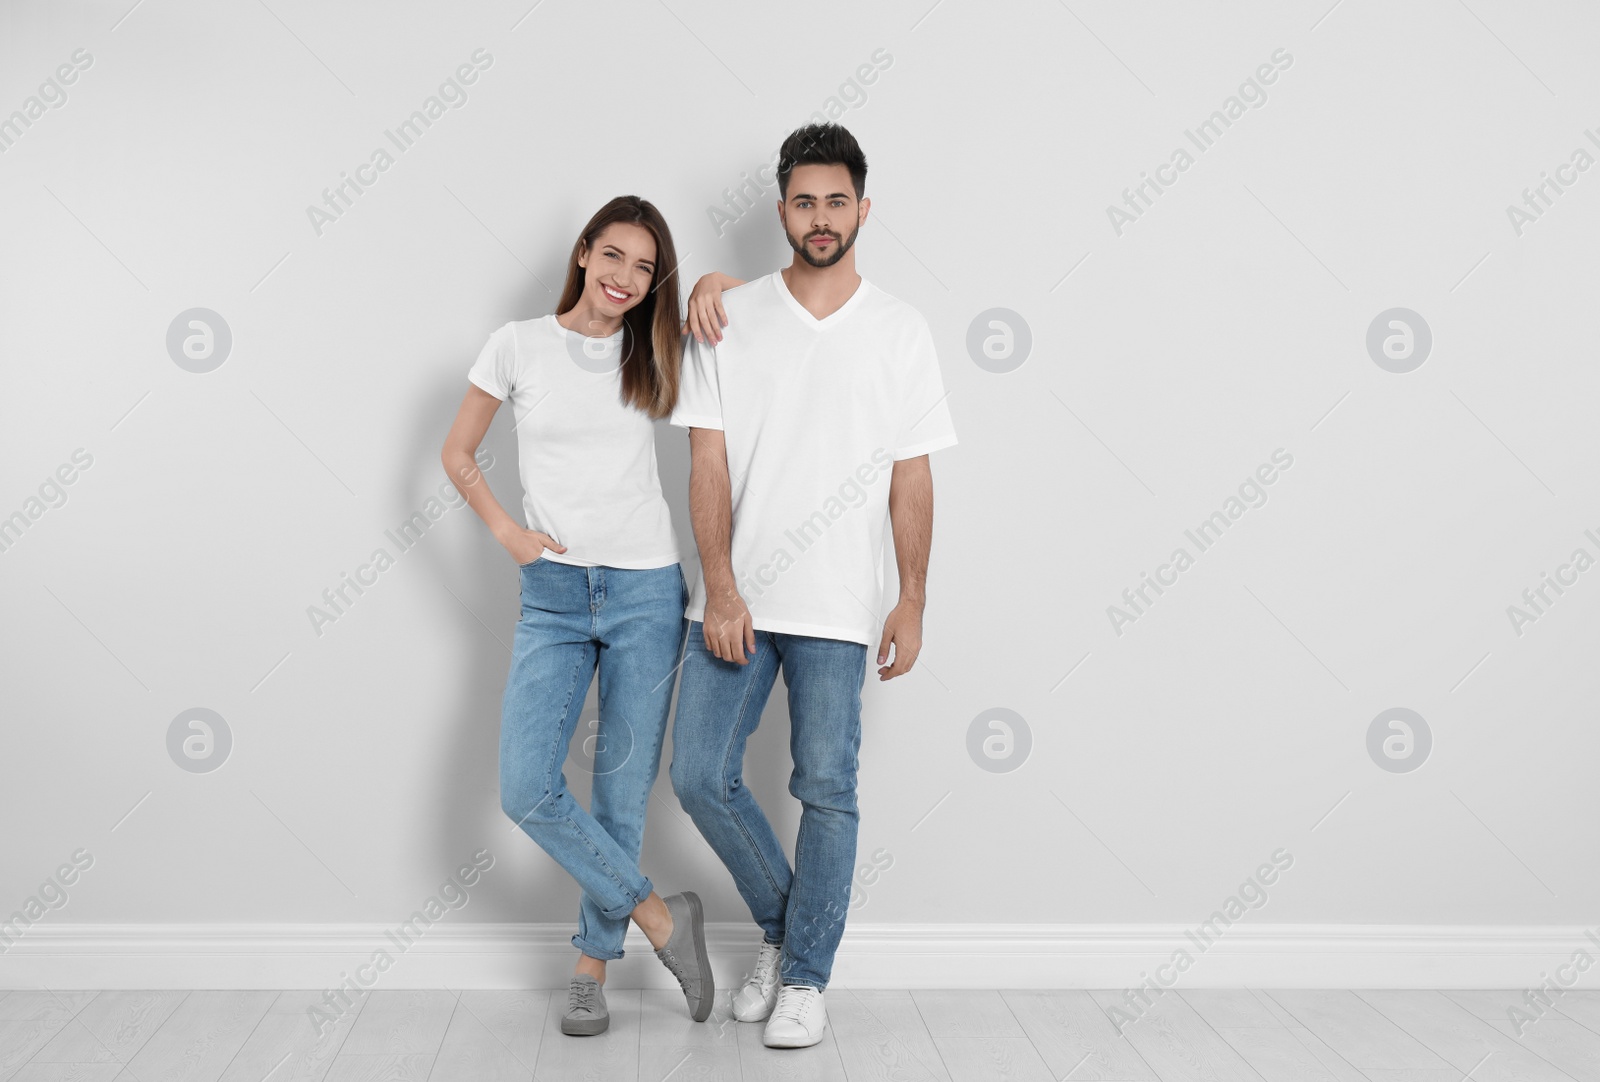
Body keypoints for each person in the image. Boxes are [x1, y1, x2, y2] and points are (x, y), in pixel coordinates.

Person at [669, 123, 959, 1048]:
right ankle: (787, 932)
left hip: (839, 604)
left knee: (827, 790)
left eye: (838, 201)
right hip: (737, 601)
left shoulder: (902, 330)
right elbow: (704, 461)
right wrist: (719, 586)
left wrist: (911, 597)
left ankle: (803, 976)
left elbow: (912, 475)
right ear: (781, 209)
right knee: (699, 776)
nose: (821, 217)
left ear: (862, 209)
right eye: (805, 201)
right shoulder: (729, 314)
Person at [440, 195, 713, 1036]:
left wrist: (715, 280)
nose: (626, 278)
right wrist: (509, 534)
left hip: (644, 591)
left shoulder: (657, 348)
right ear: (585, 252)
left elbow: (753, 320)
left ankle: (590, 969)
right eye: (615, 257)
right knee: (527, 787)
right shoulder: (517, 344)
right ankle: (662, 919)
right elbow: (458, 450)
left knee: (620, 794)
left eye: (645, 267)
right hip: (553, 595)